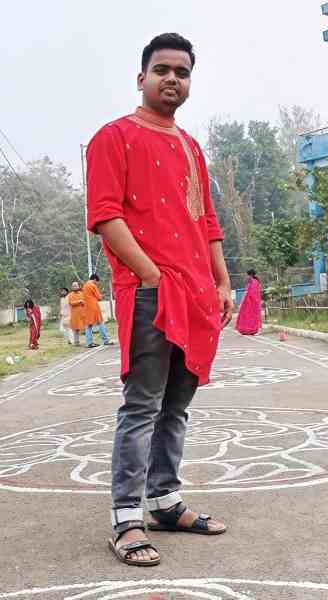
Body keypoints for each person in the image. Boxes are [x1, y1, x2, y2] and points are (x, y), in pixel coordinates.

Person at [87, 33, 232, 568]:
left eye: (183, 72)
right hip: (151, 292)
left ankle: (166, 501)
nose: (173, 78)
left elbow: (208, 221)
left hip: (196, 293)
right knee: (142, 405)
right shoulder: (115, 137)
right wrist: (149, 275)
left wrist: (221, 280)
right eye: (163, 69)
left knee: (178, 406)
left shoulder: (192, 147)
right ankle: (127, 517)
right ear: (142, 77)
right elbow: (105, 215)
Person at [83, 273, 114, 347]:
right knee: (100, 323)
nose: (97, 283)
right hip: (94, 306)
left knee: (88, 325)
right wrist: (101, 295)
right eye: (97, 281)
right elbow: (99, 297)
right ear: (94, 279)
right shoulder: (93, 285)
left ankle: (89, 342)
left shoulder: (85, 285)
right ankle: (106, 340)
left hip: (87, 307)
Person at [235, 270, 262, 335]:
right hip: (253, 301)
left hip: (252, 302)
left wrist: (242, 302)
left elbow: (249, 292)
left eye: (247, 275)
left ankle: (256, 330)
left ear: (250, 275)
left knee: (250, 315)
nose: (246, 277)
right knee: (249, 315)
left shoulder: (253, 282)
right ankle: (248, 330)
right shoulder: (255, 282)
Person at [68, 282, 87, 346]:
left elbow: (85, 302)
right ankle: (76, 342)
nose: (75, 287)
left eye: (76, 286)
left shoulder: (82, 294)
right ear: (71, 287)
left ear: (79, 286)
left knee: (85, 328)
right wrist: (79, 301)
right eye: (73, 286)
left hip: (82, 314)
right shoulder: (70, 295)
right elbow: (71, 303)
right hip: (75, 314)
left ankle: (88, 341)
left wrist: (83, 302)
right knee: (76, 329)